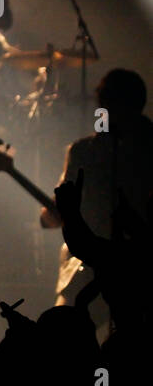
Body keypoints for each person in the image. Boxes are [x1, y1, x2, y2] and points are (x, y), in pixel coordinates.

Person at [41, 68, 153, 326]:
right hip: (113, 265)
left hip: (112, 264)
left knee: (63, 333)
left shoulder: (85, 151)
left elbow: (57, 214)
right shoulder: (84, 151)